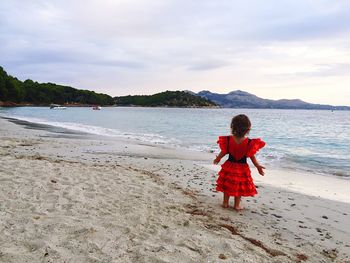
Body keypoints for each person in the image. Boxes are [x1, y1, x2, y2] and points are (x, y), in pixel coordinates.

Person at [213, 114, 265, 210]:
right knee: (239, 185)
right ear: (248, 129)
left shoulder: (228, 140)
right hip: (242, 167)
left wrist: (218, 159)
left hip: (229, 166)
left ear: (232, 127)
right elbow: (251, 156)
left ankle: (225, 203)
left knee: (227, 184)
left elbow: (224, 151)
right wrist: (257, 166)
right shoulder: (250, 143)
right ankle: (237, 205)